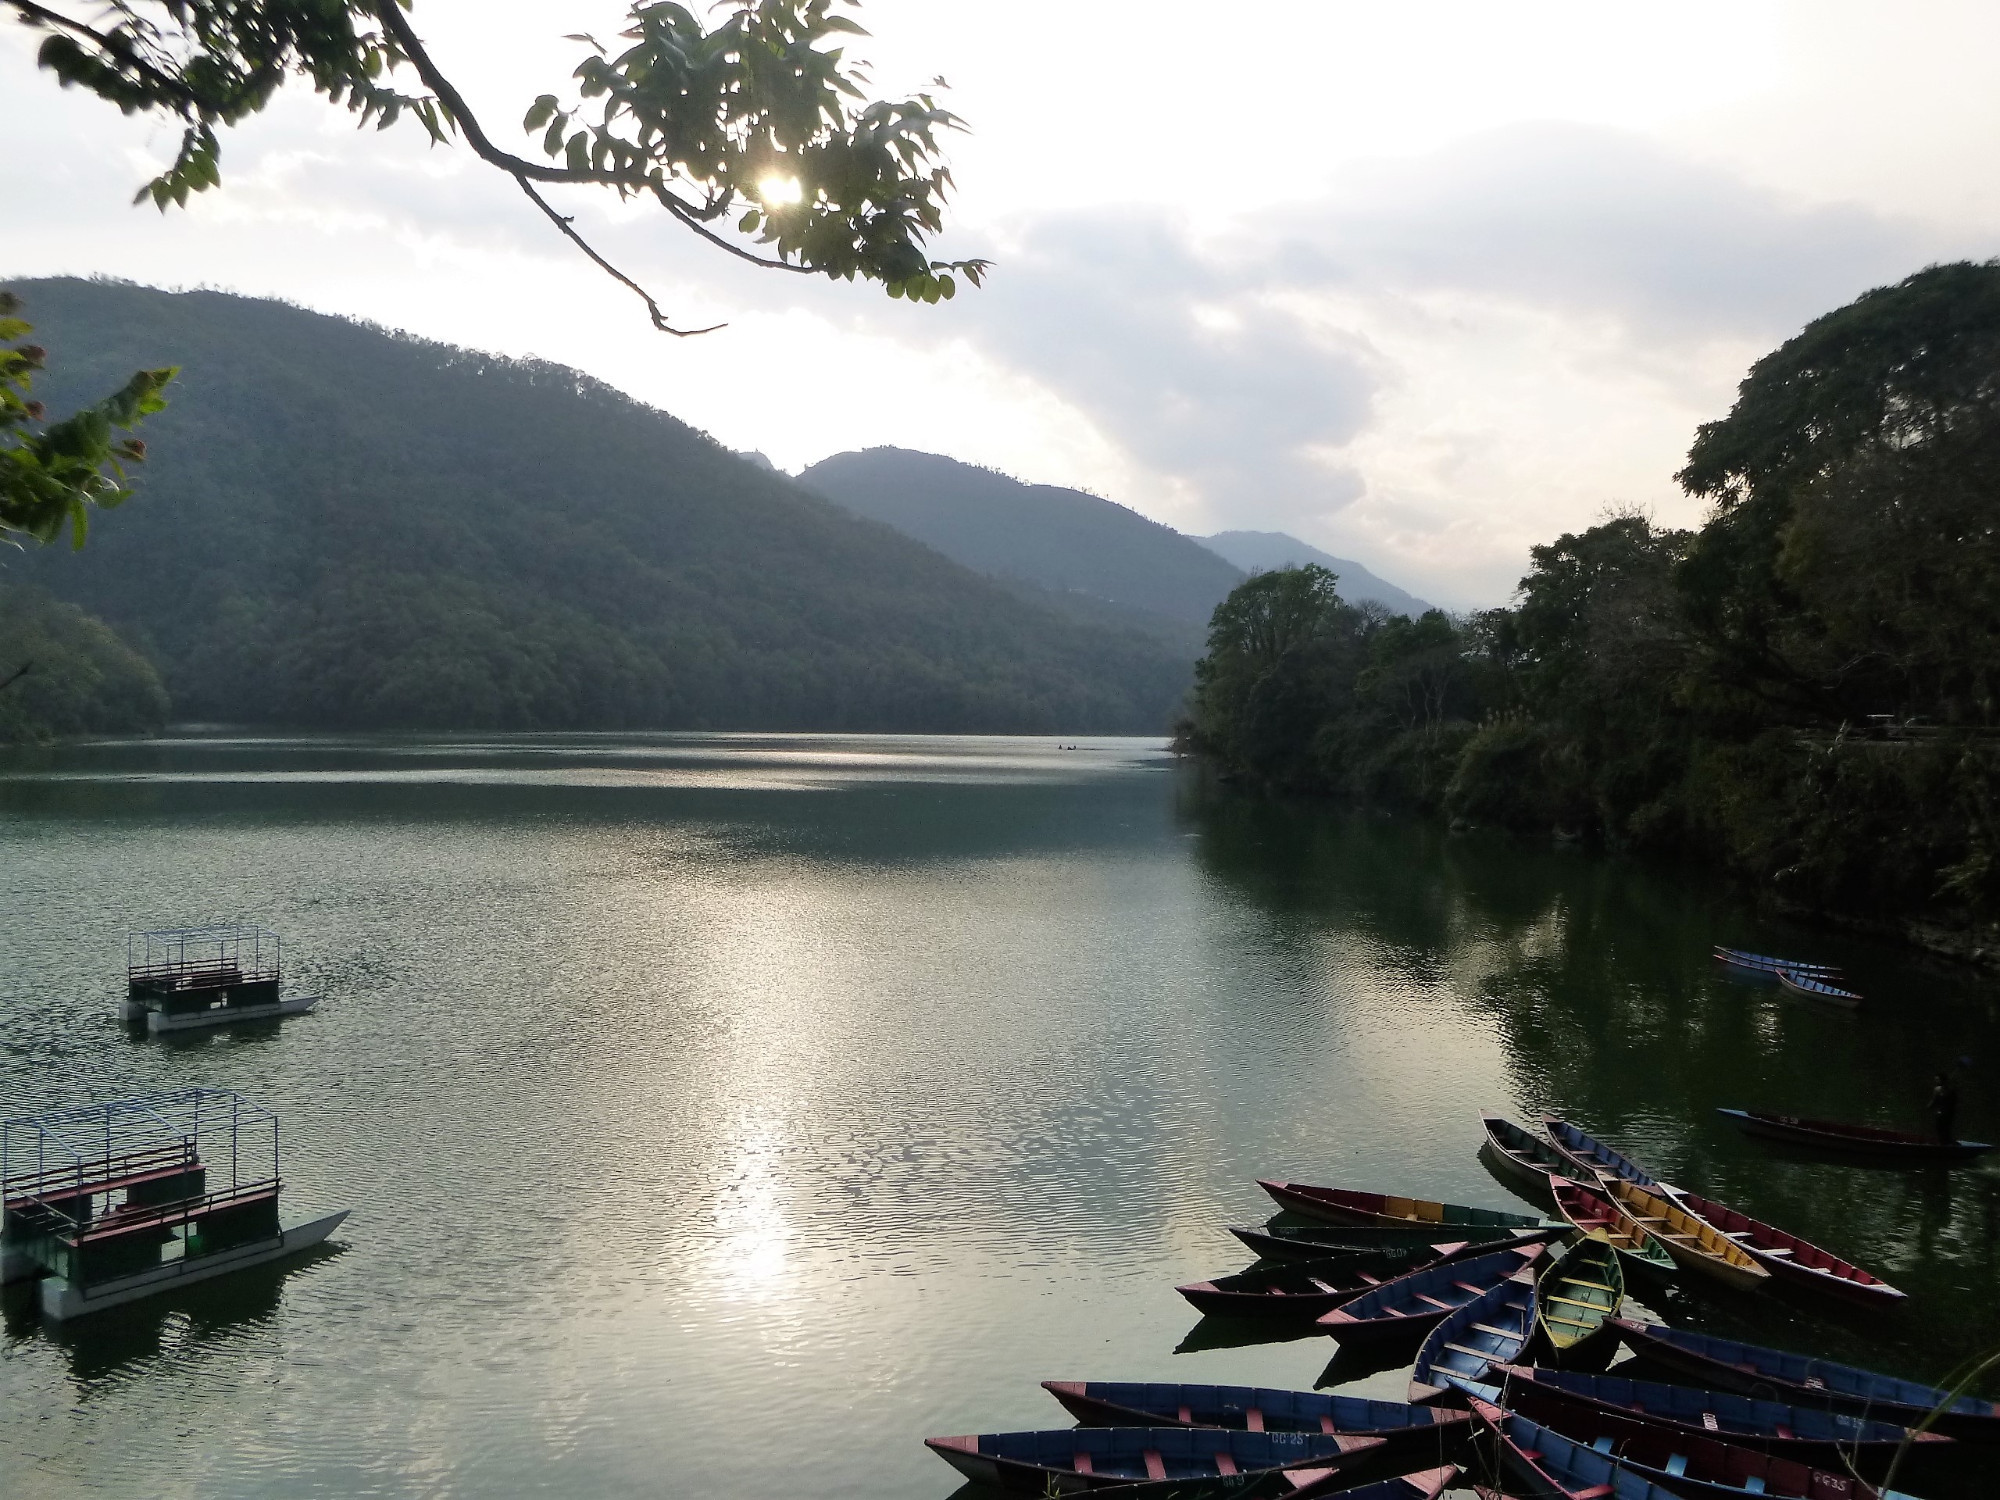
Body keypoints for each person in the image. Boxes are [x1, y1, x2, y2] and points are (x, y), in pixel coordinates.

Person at [1928, 1070, 1960, 1144]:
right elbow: (1934, 1101)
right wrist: (1928, 1107)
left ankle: (1950, 1144)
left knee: (1946, 1130)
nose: (1936, 1081)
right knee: (1939, 1129)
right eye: (1935, 1080)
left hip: (1949, 1113)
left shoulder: (1951, 1090)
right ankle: (1943, 1143)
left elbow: (1955, 1102)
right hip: (1940, 1113)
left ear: (1943, 1080)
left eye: (1937, 1079)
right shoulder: (1936, 1089)